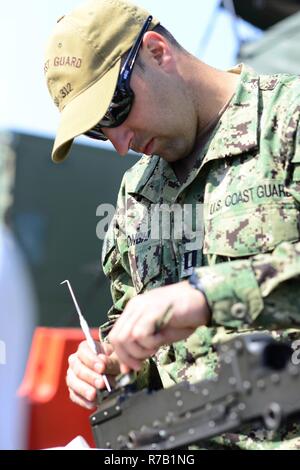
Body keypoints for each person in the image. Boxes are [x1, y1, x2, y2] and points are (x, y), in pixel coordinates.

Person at [44, 0, 300, 449]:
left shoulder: (286, 121)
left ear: (157, 50)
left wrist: (207, 295)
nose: (120, 144)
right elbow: (140, 333)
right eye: (98, 131)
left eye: (116, 110)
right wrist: (110, 360)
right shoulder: (136, 195)